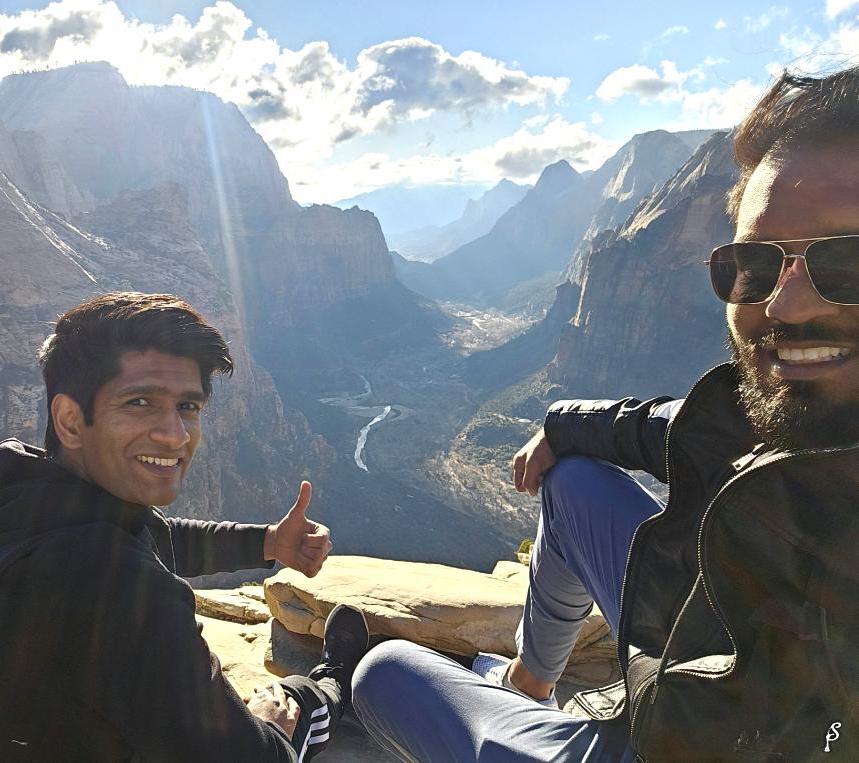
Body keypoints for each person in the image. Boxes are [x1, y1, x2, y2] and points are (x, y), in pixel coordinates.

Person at [352, 66, 859, 761]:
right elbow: (684, 428)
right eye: (757, 265)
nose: (786, 305)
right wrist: (562, 424)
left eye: (847, 263)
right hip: (703, 631)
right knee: (573, 480)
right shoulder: (787, 417)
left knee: (382, 675)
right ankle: (530, 682)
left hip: (684, 741)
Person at [0, 292, 368, 761]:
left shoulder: (8, 494)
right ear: (70, 420)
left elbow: (152, 534)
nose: (175, 434)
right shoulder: (116, 585)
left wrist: (267, 542)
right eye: (140, 402)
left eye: (189, 406)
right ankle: (332, 684)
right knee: (293, 703)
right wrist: (271, 725)